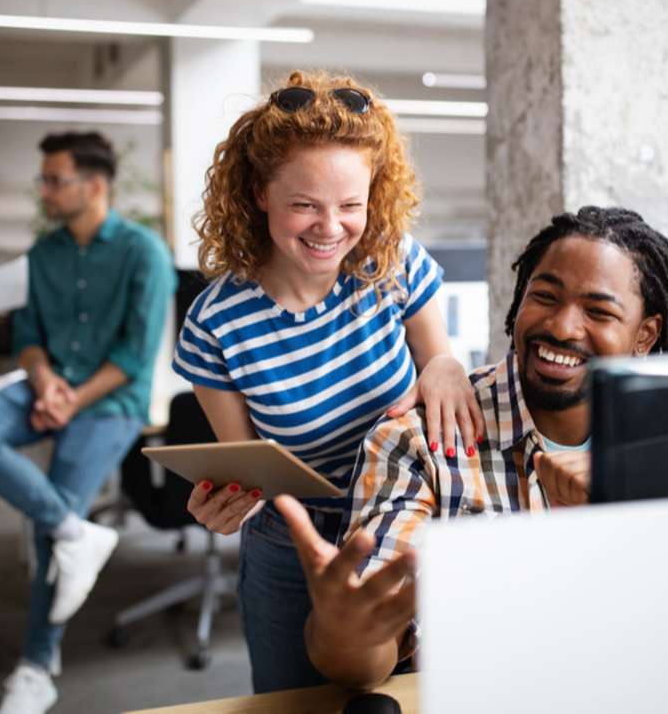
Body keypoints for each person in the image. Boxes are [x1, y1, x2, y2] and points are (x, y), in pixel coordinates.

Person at [275, 206, 668, 690]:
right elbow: (372, 646)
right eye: (544, 297)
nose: (562, 328)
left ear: (644, 334)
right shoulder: (418, 440)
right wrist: (347, 635)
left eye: (598, 311)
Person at [172, 70, 484, 693]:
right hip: (295, 543)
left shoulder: (389, 263)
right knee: (298, 703)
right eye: (305, 205)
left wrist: (446, 367)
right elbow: (249, 471)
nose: (331, 228)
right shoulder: (216, 323)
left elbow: (437, 365)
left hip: (409, 517)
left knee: (427, 694)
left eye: (350, 205)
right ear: (260, 194)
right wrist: (225, 501)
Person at [0, 131, 175, 714]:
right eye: (44, 179)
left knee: (57, 517)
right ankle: (78, 534)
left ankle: (36, 666)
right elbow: (26, 339)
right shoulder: (43, 254)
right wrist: (45, 380)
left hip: (110, 402)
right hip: (48, 387)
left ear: (94, 186)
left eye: (55, 179)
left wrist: (71, 399)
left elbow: (134, 355)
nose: (44, 190)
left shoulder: (142, 252)